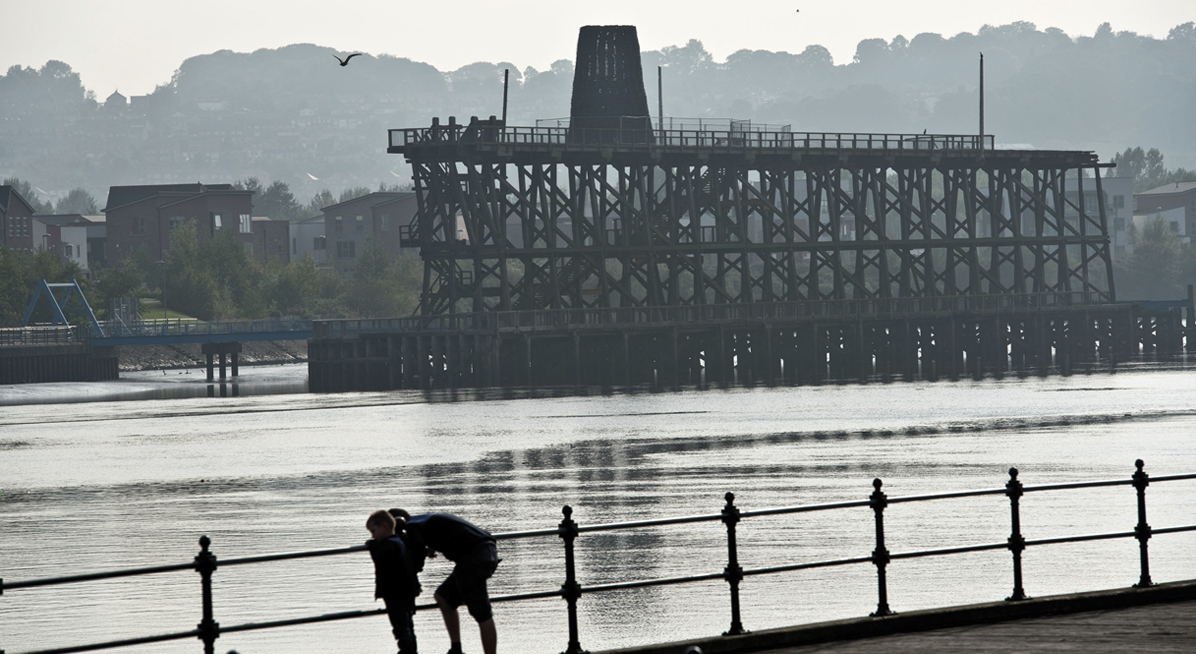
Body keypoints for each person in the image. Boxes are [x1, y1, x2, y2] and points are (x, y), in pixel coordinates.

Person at [396, 511, 499, 654]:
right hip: (484, 550)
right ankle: (456, 648)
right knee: (443, 597)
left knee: (482, 614)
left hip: (474, 558)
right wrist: (431, 547)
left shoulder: (413, 526)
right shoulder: (424, 520)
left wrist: (415, 579)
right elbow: (444, 530)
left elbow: (417, 552)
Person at [366, 510, 423, 654]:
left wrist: (371, 546)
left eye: (373, 531)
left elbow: (379, 558)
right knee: (408, 624)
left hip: (394, 593)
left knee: (400, 626)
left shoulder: (388, 547)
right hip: (407, 591)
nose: (372, 536)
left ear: (384, 526)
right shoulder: (400, 541)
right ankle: (411, 649)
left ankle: (407, 650)